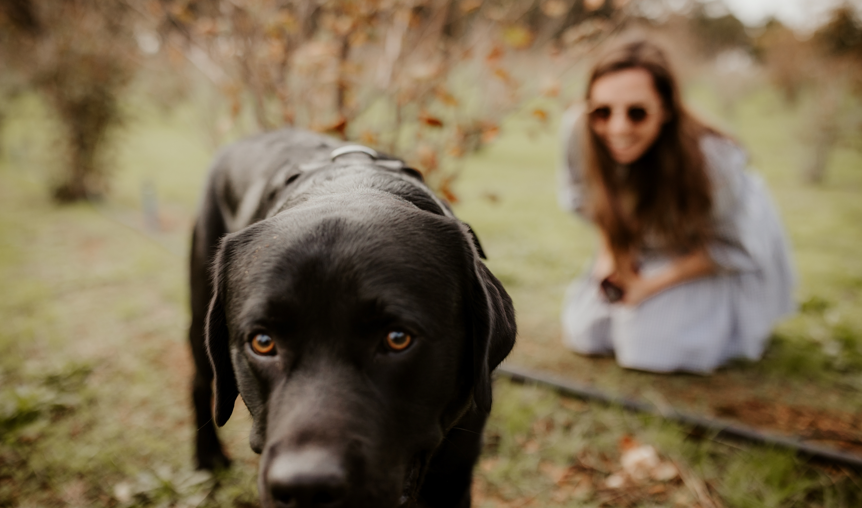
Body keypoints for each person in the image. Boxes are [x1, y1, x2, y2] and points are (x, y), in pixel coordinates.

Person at [558, 39, 795, 373]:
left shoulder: (713, 160)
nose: (618, 127)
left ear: (666, 109)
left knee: (649, 352)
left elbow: (732, 248)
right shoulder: (578, 130)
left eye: (637, 113)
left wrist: (648, 286)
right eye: (602, 111)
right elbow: (592, 204)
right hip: (646, 245)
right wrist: (610, 257)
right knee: (586, 335)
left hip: (711, 255)